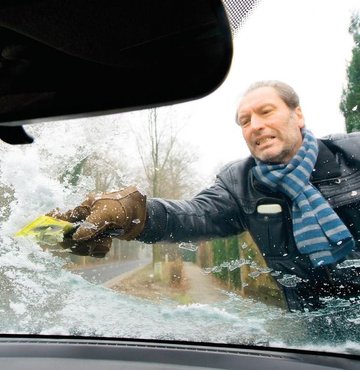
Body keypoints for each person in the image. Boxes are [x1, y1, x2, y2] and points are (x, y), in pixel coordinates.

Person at [51, 80, 360, 311]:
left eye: (266, 112)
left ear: (299, 115)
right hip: (313, 336)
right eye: (245, 120)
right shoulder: (240, 184)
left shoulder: (353, 154)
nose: (256, 125)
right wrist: (132, 213)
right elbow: (190, 216)